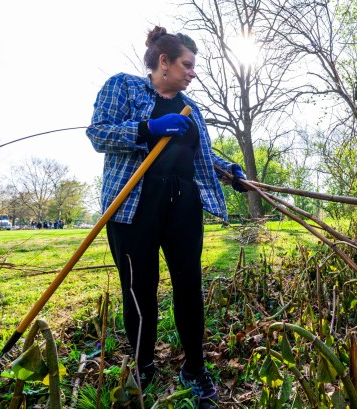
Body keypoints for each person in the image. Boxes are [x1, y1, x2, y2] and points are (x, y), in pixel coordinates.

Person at [86, 26, 247, 408]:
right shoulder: (124, 87)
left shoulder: (193, 111)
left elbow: (201, 156)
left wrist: (231, 172)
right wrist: (147, 128)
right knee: (139, 289)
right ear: (164, 62)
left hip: (184, 204)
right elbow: (98, 133)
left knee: (189, 286)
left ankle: (194, 368)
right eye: (187, 65)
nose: (193, 72)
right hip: (133, 205)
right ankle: (142, 366)